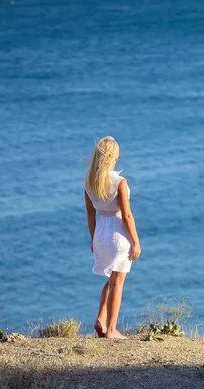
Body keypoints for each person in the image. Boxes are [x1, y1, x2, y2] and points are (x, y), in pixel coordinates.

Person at [84, 136, 141, 339]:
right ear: (113, 157)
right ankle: (111, 329)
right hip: (118, 233)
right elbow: (126, 215)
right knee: (118, 281)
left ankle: (100, 319)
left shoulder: (89, 183)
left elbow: (90, 214)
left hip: (100, 232)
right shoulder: (120, 182)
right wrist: (135, 241)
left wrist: (93, 239)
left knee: (111, 279)